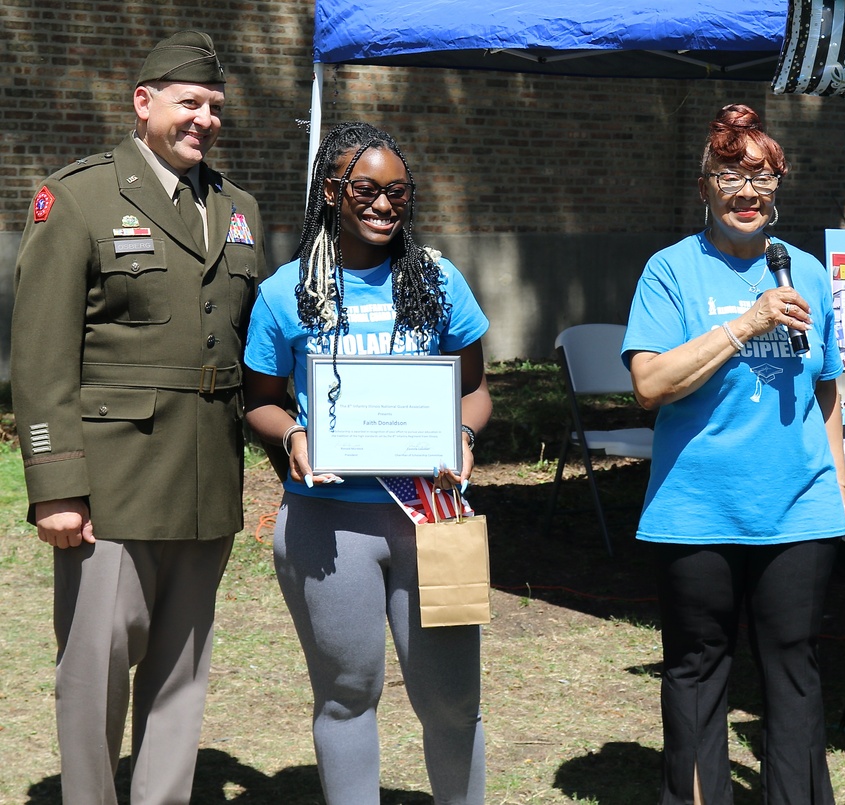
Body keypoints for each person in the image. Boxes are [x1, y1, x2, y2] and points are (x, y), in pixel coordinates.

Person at [9, 31, 266, 804]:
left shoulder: (239, 208)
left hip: (204, 483)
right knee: (94, 674)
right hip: (110, 486)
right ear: (143, 102)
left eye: (215, 107)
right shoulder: (80, 196)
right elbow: (41, 355)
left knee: (182, 672)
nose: (204, 120)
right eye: (190, 103)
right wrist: (55, 484)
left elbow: (254, 347)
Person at [242, 121, 492, 805]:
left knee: (451, 699)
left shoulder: (439, 280)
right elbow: (258, 400)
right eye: (368, 189)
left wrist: (463, 437)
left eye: (399, 193)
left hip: (432, 520)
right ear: (332, 191)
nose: (385, 204)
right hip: (329, 526)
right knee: (349, 693)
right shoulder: (283, 293)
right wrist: (293, 433)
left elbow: (474, 390)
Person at [622, 104, 845, 805]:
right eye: (729, 175)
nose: (747, 191)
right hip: (698, 509)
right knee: (697, 669)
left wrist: (837, 488)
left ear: (778, 189)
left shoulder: (806, 272)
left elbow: (828, 390)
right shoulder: (670, 272)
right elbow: (650, 383)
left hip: (798, 508)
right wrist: (747, 322)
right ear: (704, 189)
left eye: (762, 177)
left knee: (795, 672)